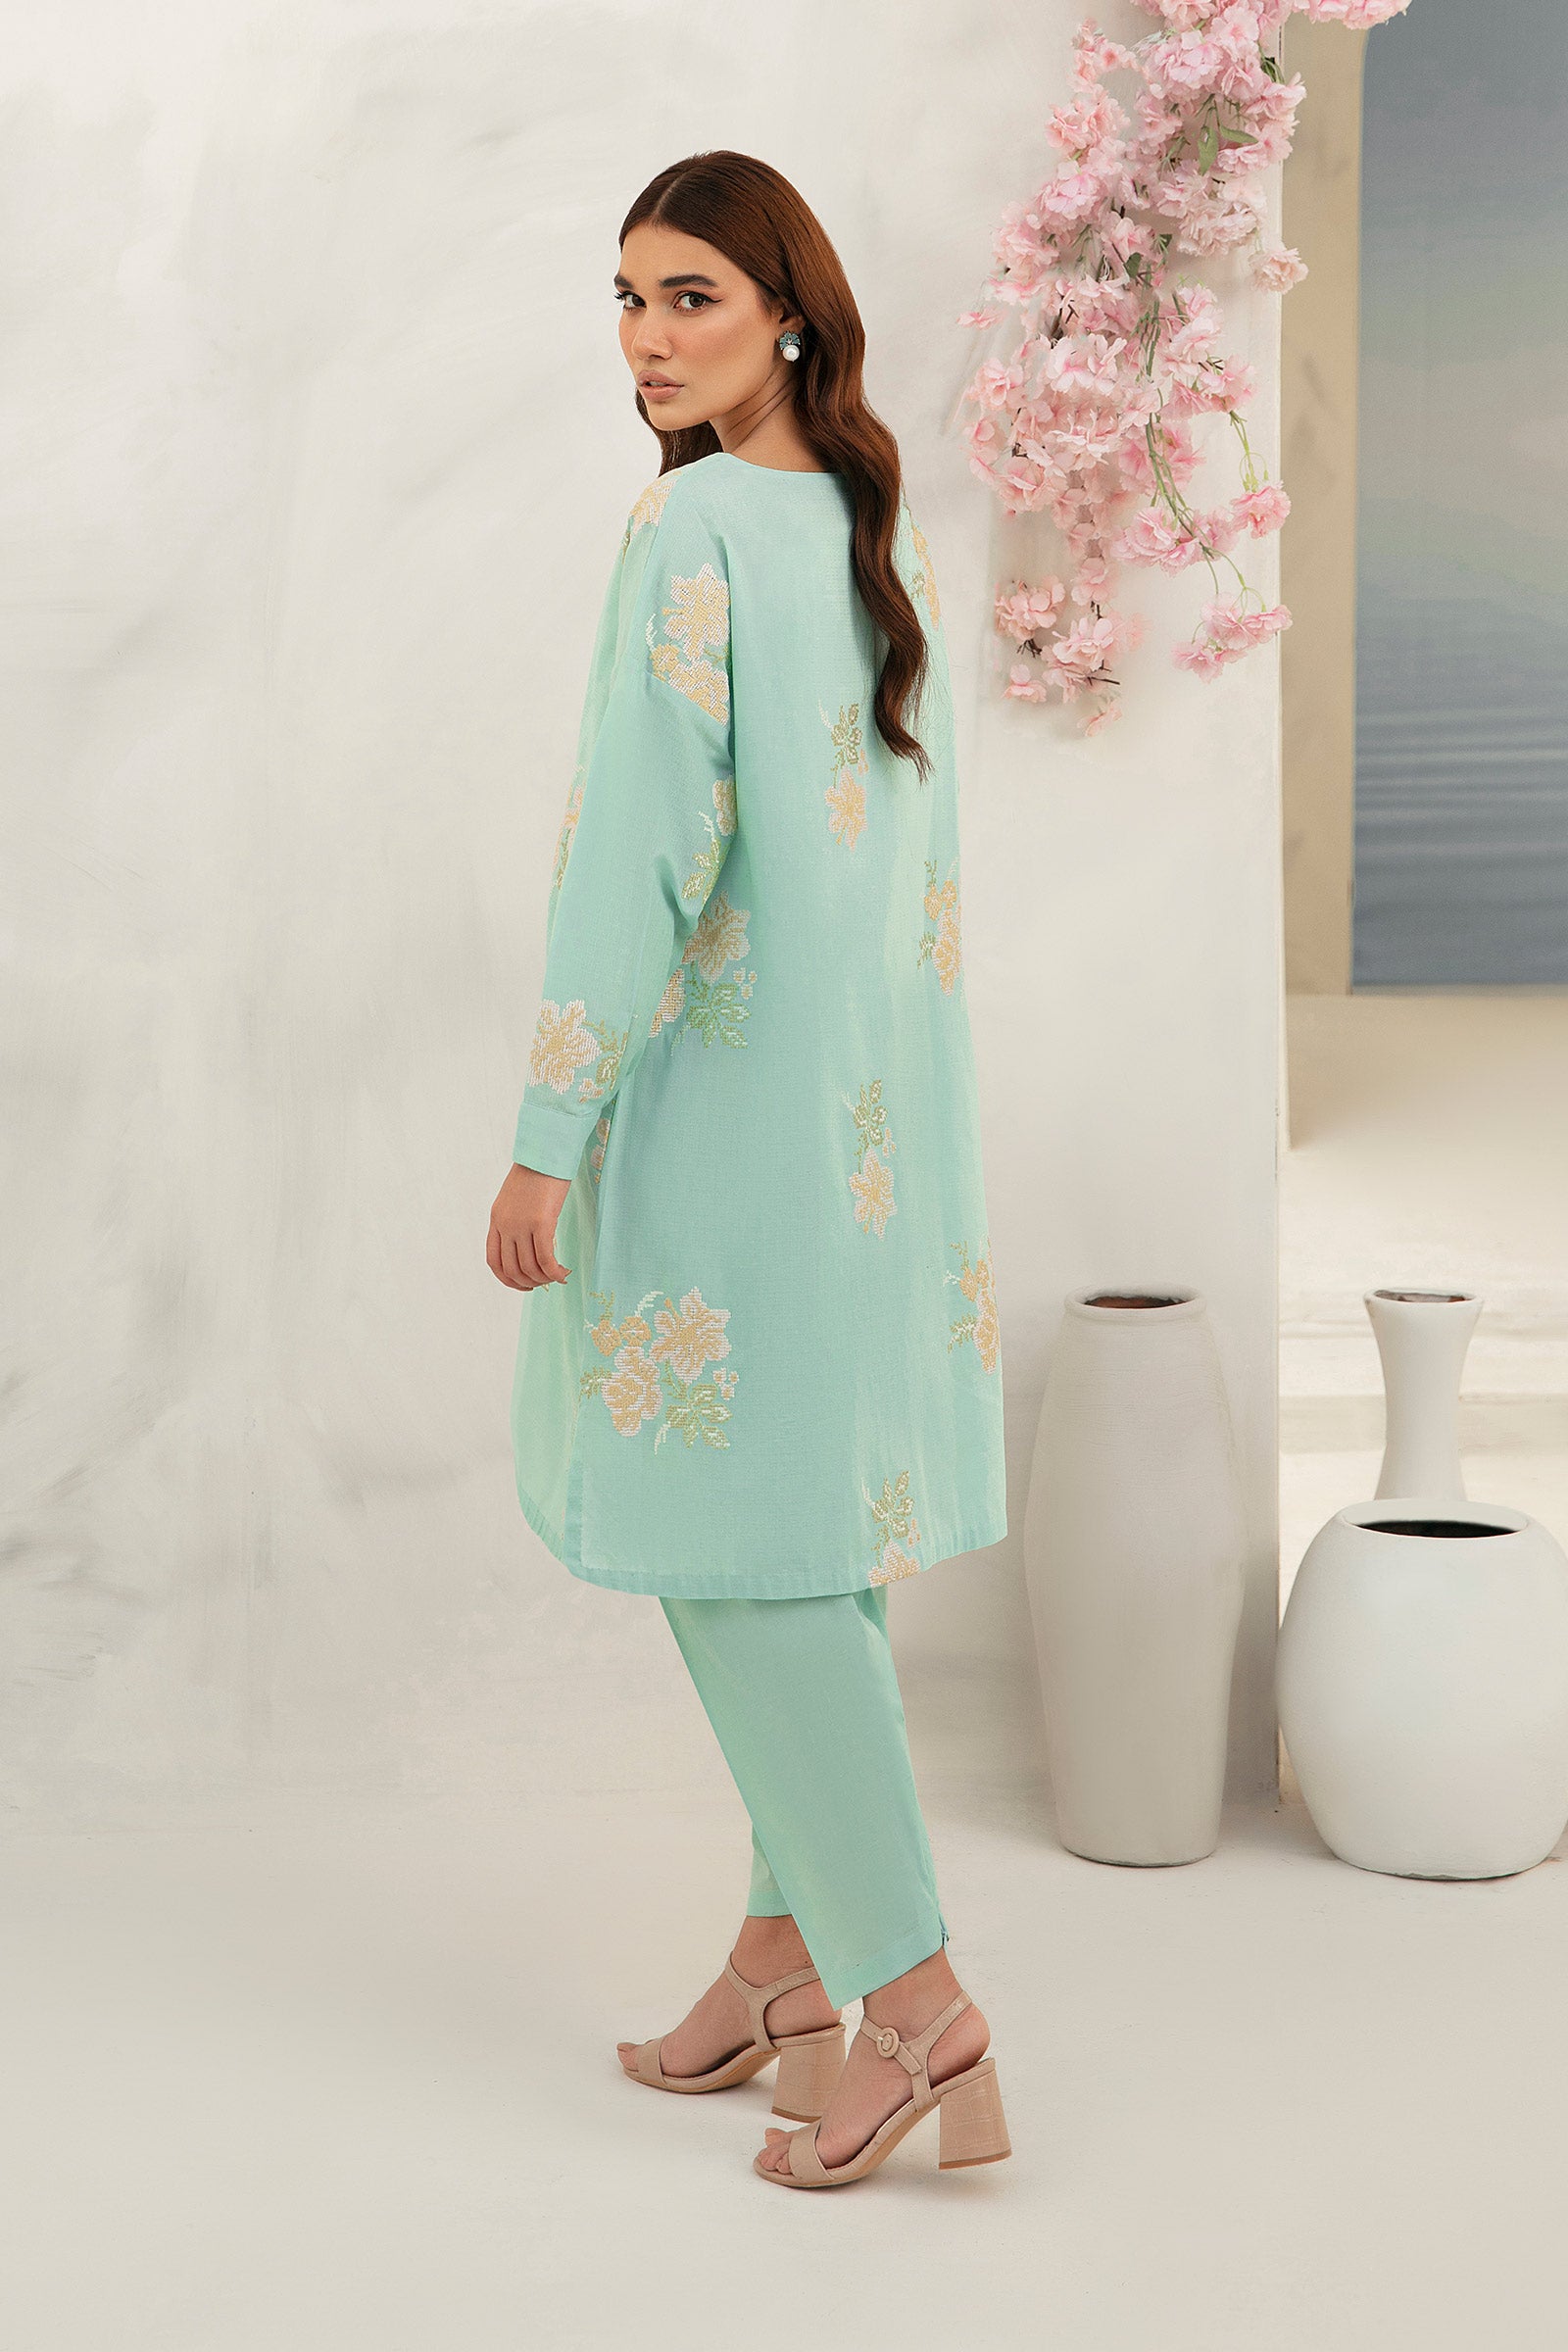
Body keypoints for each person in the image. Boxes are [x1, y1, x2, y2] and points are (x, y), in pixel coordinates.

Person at [486, 149, 1010, 2189]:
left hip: (725, 1130)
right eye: (625, 299)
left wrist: (549, 1133)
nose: (645, 337)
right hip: (871, 1138)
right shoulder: (874, 527)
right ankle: (781, 1973)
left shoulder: (693, 527)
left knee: (741, 1558)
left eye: (689, 295)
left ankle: (919, 2007)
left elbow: (638, 851)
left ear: (788, 312)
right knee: (807, 1546)